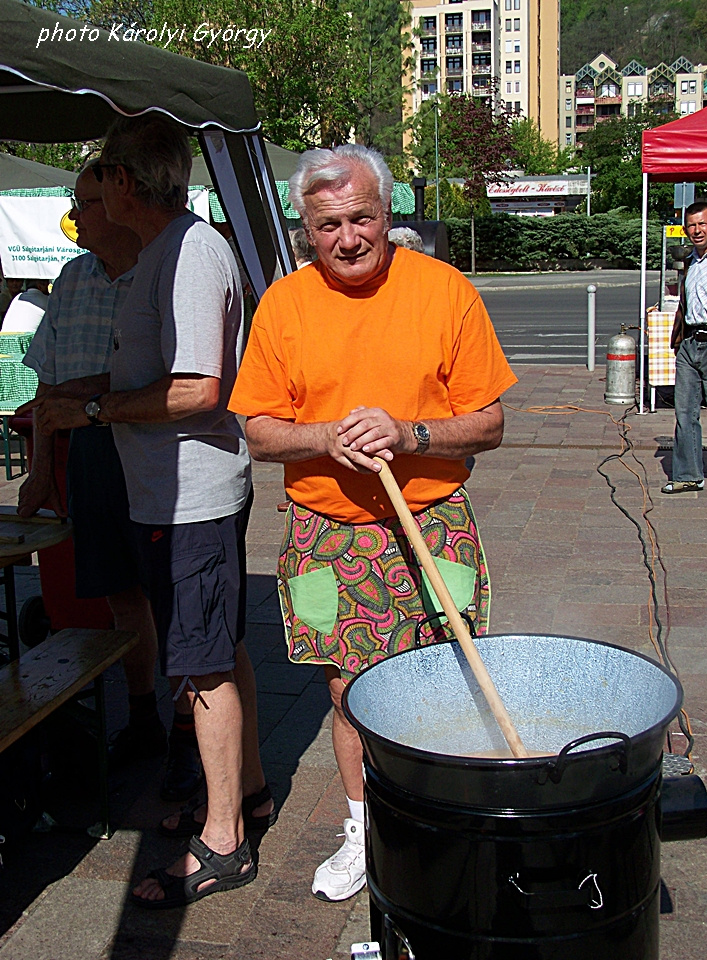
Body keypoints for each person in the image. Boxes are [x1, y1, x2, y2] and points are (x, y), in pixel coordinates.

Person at [228, 144, 517, 902]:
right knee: (349, 692)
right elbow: (258, 431)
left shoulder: (444, 290)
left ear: (388, 213)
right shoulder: (285, 306)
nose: (349, 239)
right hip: (328, 532)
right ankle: (364, 832)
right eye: (329, 225)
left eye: (363, 218)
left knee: (448, 677)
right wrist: (323, 437)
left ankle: (442, 825)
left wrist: (411, 434)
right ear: (305, 228)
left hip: (433, 518)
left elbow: (488, 422)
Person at [26, 114, 274, 908]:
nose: (87, 202)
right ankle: (247, 794)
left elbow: (199, 387)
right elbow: (160, 370)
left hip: (192, 495)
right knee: (218, 648)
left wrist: (98, 412)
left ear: (126, 184)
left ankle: (225, 842)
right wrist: (86, 391)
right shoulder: (170, 252)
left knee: (201, 664)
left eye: (95, 185)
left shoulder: (190, 254)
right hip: (172, 491)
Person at [17, 165, 171, 779]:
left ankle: (187, 723)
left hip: (156, 453)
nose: (75, 215)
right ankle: (142, 717)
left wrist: (89, 395)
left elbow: (175, 381)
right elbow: (47, 388)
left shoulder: (157, 271)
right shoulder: (71, 278)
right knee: (117, 590)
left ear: (120, 203)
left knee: (170, 592)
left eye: (86, 202)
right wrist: (40, 471)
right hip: (88, 454)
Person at [663, 201, 707, 494]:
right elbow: (685, 306)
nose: (697, 231)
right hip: (689, 344)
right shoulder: (691, 262)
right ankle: (687, 474)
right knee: (685, 413)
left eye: (702, 224)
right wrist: (678, 341)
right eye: (692, 225)